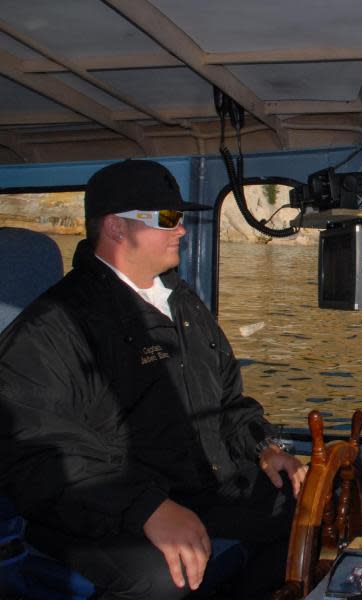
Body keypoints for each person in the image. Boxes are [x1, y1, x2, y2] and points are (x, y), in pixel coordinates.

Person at [0, 159, 307, 599]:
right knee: (161, 576)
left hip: (195, 488)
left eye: (179, 218)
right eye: (166, 219)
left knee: (303, 510)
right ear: (117, 228)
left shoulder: (181, 303)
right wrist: (146, 508)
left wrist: (265, 445)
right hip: (98, 508)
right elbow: (37, 452)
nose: (180, 230)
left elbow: (226, 403)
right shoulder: (54, 327)